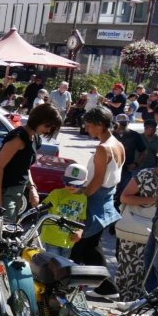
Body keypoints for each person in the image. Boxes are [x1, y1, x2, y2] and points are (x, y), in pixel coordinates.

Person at [75, 106, 124, 300]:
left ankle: (105, 288)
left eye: (88, 125)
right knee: (91, 246)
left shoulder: (104, 147)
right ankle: (106, 288)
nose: (86, 129)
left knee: (83, 245)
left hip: (95, 199)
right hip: (106, 197)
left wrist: (81, 197)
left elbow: (97, 181)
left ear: (100, 125)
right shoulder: (117, 143)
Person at [116, 165, 158, 302]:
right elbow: (124, 198)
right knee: (129, 271)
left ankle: (144, 306)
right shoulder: (145, 175)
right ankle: (126, 303)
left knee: (150, 273)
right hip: (134, 231)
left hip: (154, 235)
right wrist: (153, 200)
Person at [39, 164, 88, 258]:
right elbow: (43, 207)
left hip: (69, 240)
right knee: (53, 264)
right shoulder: (57, 193)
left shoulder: (83, 198)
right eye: (68, 183)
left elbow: (82, 218)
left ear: (84, 182)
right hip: (52, 237)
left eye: (76, 184)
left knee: (63, 265)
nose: (71, 187)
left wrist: (80, 231)